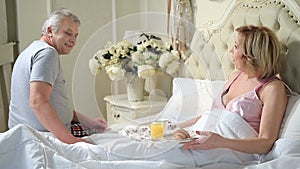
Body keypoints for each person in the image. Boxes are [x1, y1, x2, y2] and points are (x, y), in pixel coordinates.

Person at [174, 25, 288, 155]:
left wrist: (221, 142)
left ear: (251, 54)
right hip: (205, 141)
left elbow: (265, 143)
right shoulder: (235, 76)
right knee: (160, 147)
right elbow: (212, 114)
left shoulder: (272, 88)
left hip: (234, 150)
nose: (230, 50)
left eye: (236, 46)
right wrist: (179, 128)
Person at [8, 8, 107, 144]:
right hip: (43, 136)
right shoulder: (47, 54)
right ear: (50, 31)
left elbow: (55, 103)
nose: (73, 40)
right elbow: (38, 102)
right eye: (68, 33)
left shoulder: (31, 50)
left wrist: (88, 122)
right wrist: (71, 141)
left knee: (105, 132)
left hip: (26, 133)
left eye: (76, 36)